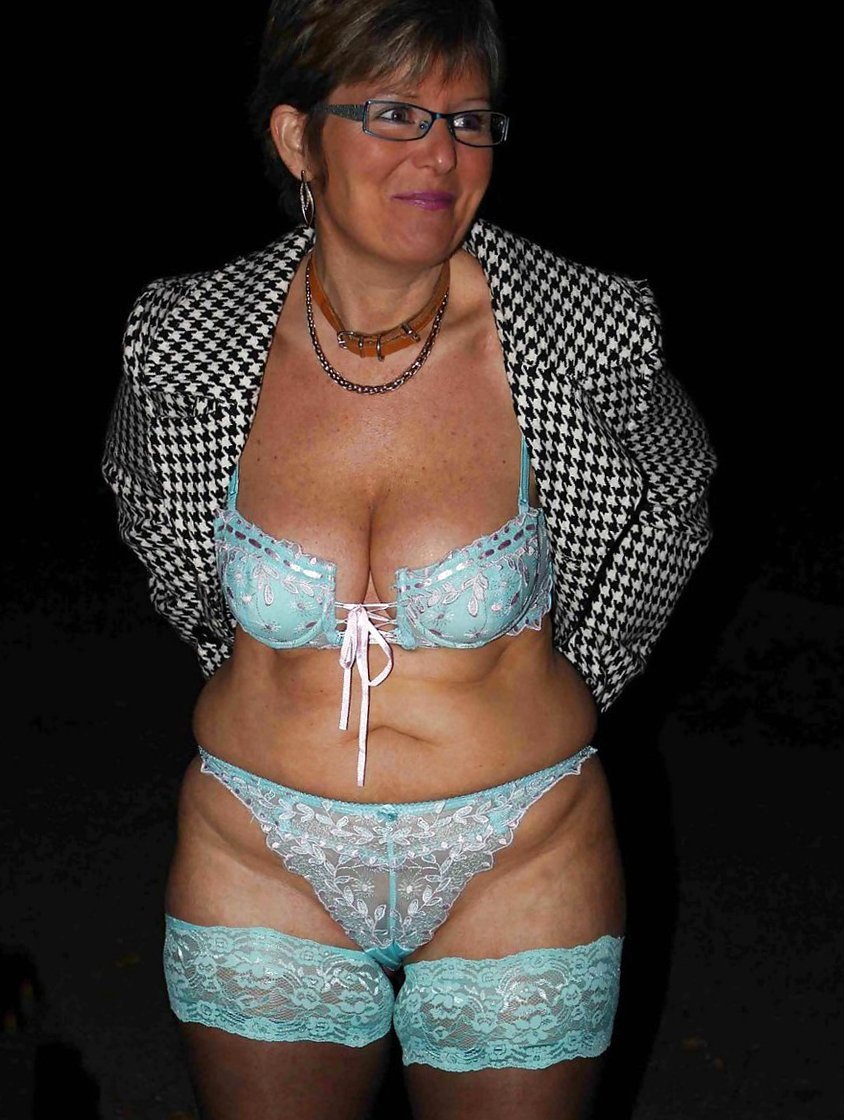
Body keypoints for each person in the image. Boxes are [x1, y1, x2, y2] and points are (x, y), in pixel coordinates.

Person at [102, 1, 716, 1116]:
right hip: (258, 853)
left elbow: (678, 497)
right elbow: (147, 509)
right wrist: (235, 655)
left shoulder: (590, 330)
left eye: (469, 120)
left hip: (521, 852)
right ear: (298, 138)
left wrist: (579, 671)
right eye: (395, 114)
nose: (440, 155)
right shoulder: (182, 336)